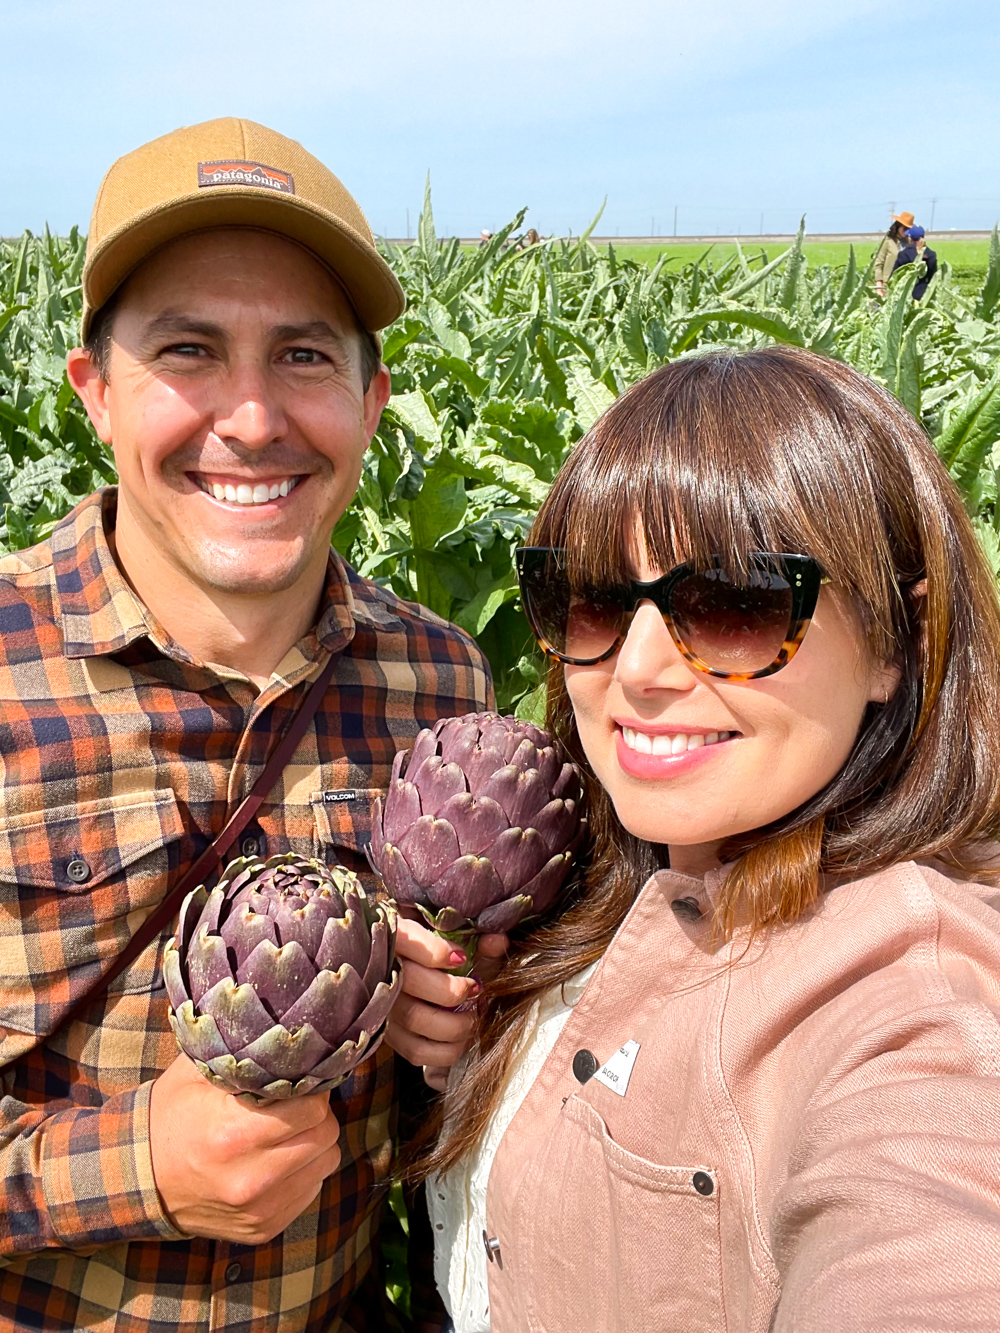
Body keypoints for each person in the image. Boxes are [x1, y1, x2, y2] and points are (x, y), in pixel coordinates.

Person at [0, 117, 500, 1332]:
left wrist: (460, 1036)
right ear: (94, 394)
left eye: (303, 357)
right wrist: (136, 1165)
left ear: (371, 400)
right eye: (187, 350)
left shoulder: (442, 693)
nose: (253, 417)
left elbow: (449, 1132)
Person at [418, 346, 1000, 1331]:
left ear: (897, 646)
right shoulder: (593, 875)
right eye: (591, 598)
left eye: (736, 604)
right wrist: (461, 1045)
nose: (638, 670)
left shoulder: (914, 1007)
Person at [873, 210, 913, 298]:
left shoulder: (909, 243)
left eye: (908, 229)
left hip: (904, 285)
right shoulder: (888, 241)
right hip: (887, 285)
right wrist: (879, 286)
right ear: (898, 226)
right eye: (904, 228)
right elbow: (878, 263)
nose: (906, 232)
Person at [893, 224, 938, 300]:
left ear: (910, 238)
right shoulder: (931, 255)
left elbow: (894, 275)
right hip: (924, 295)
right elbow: (933, 278)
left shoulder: (904, 254)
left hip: (905, 294)